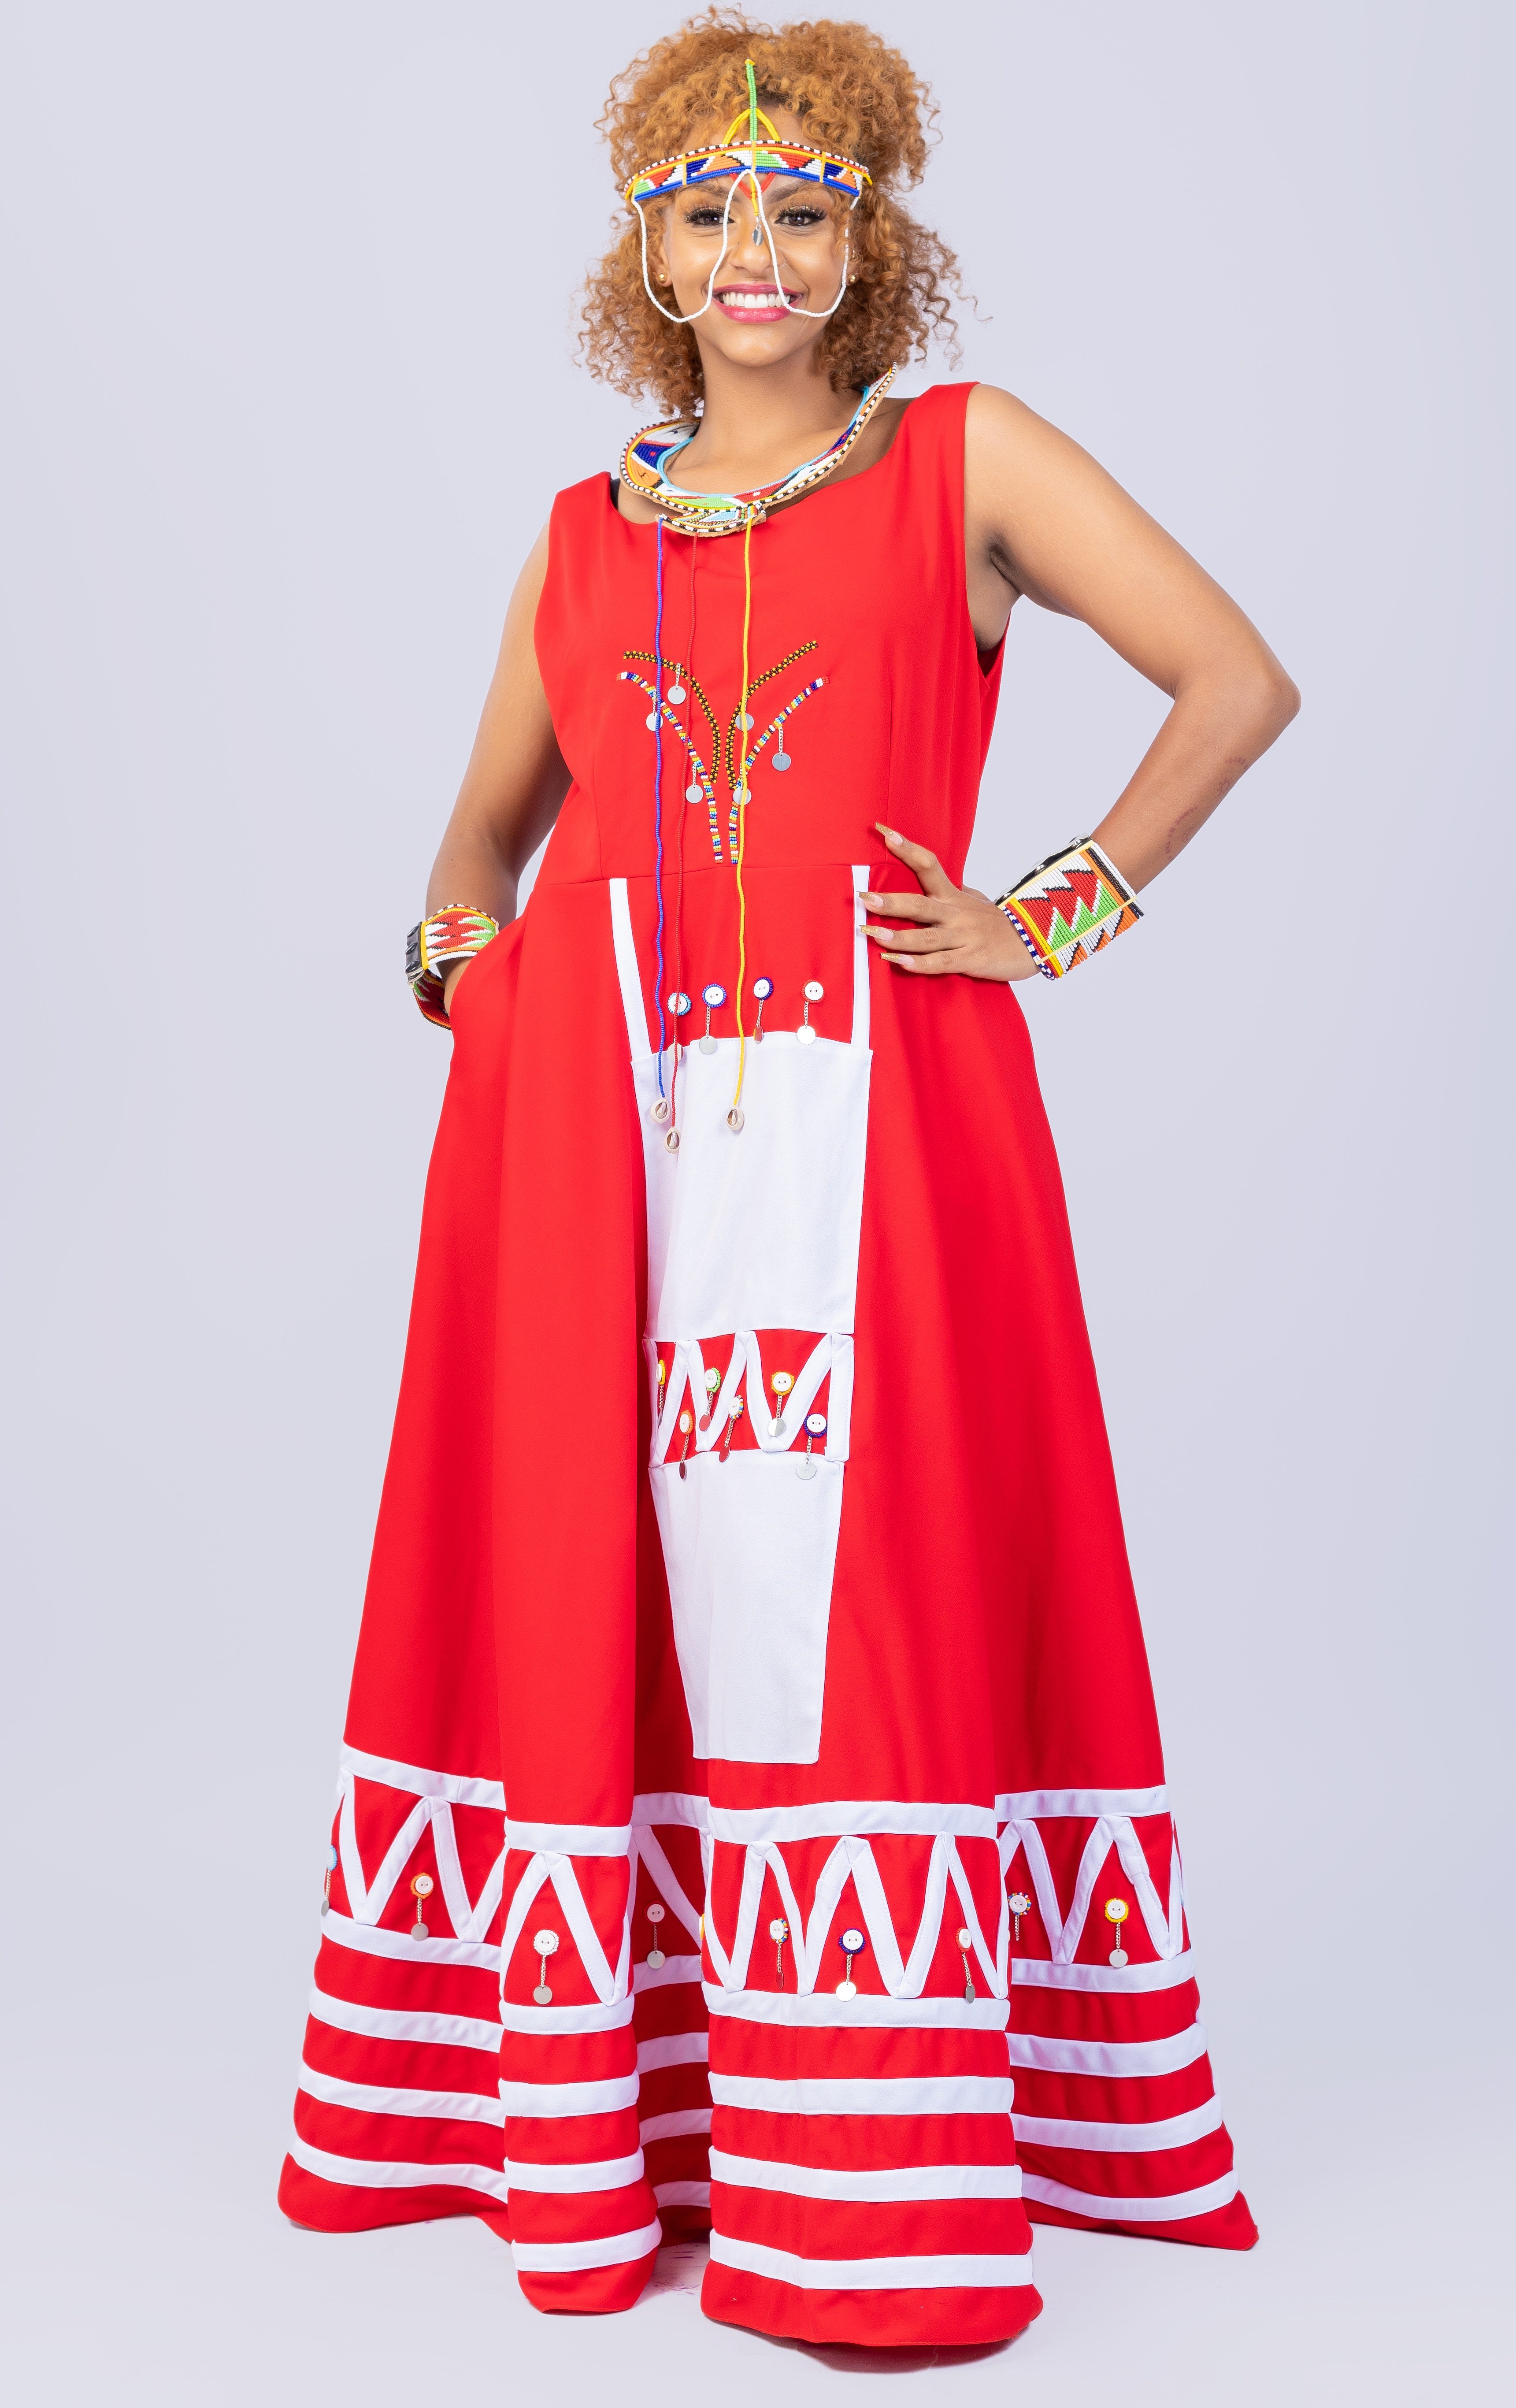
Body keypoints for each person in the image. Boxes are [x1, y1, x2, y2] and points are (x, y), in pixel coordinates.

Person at [279, 11, 1297, 2352]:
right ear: (644, 251)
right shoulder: (580, 537)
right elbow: (473, 857)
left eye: (807, 209)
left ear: (870, 244)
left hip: (891, 1128)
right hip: (607, 1157)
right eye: (712, 210)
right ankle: (627, 2142)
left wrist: (1048, 915)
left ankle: (869, 2187)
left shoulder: (964, 459)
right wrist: (475, 980)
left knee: (872, 1601)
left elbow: (1232, 680)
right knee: (618, 1589)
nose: (760, 248)